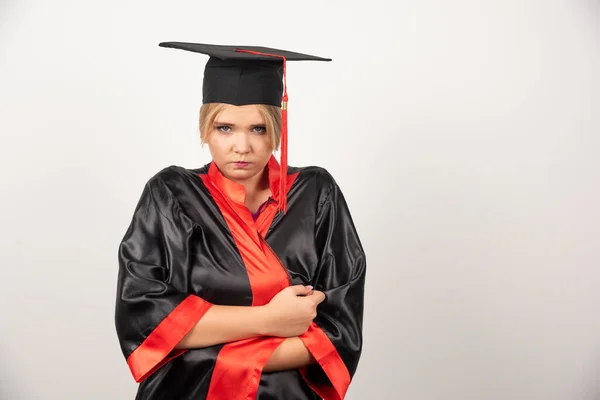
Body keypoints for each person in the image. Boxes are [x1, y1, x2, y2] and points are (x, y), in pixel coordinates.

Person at [114, 42, 366, 400]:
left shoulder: (316, 195)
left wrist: (202, 342)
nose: (242, 146)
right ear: (205, 129)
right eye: (225, 128)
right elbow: (143, 318)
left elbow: (339, 332)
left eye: (258, 129)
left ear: (277, 128)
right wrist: (271, 321)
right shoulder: (171, 194)